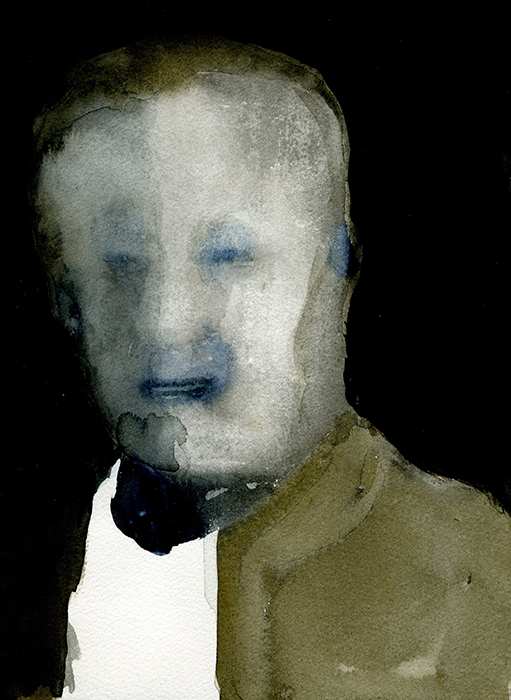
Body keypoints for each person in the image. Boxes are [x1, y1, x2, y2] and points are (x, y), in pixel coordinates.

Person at [24, 36, 510, 699]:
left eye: (231, 257)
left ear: (336, 267)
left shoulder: (471, 576)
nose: (166, 321)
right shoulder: (48, 573)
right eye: (122, 265)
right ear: (68, 302)